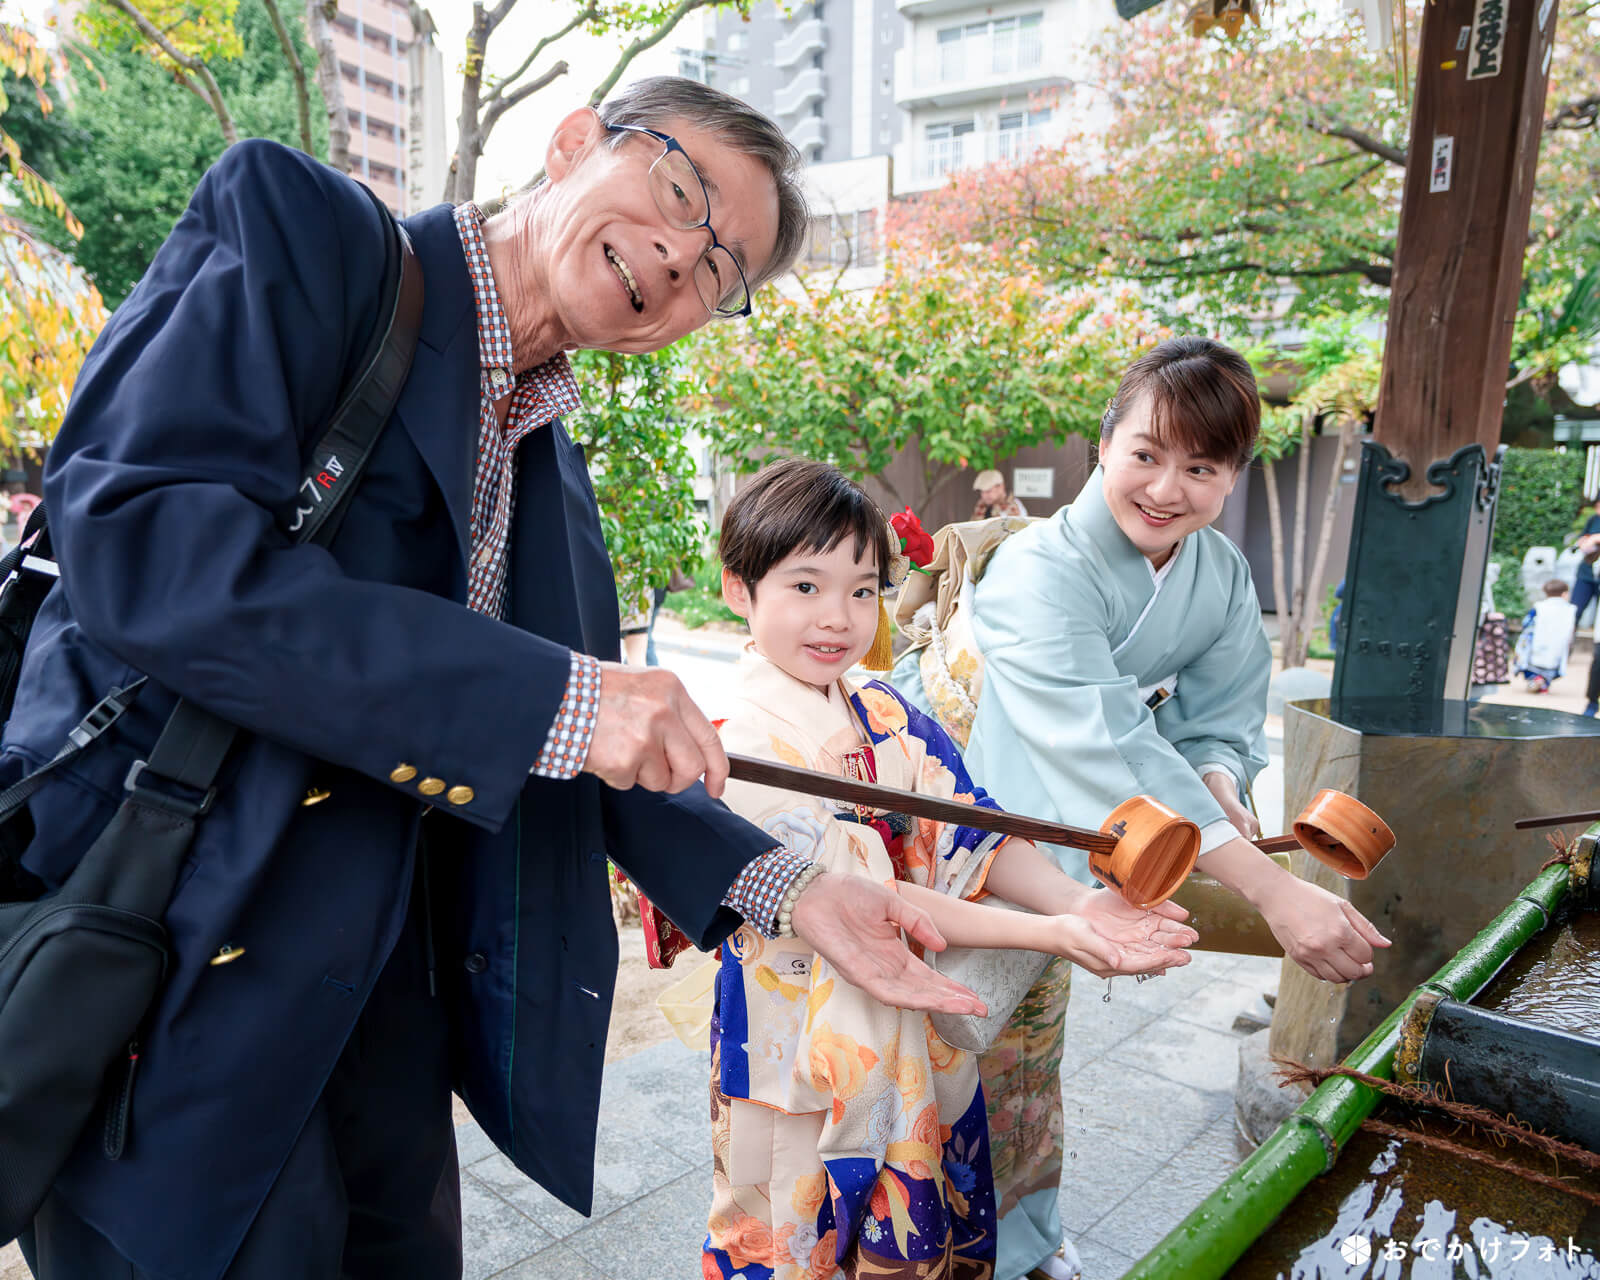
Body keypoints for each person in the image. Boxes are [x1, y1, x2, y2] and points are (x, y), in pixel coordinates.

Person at [6, 78, 988, 1280]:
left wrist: (789, 892)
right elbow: (142, 542)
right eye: (679, 192)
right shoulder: (304, 233)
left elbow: (583, 747)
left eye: (721, 273)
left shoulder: (552, 481)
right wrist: (558, 698)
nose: (682, 257)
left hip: (389, 1025)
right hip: (173, 985)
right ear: (573, 140)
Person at [892, 336, 1391, 1280]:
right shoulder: (1041, 568)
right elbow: (1108, 741)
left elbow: (1218, 718)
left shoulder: (1221, 576)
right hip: (959, 815)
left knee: (1030, 1044)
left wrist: (1221, 781)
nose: (1167, 488)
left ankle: (1020, 1237)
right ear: (1106, 444)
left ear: (1232, 476)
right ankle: (907, 1234)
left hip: (1079, 837)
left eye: (1201, 468)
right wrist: (1276, 894)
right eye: (1147, 454)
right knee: (925, 1034)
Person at [701, 459, 1197, 1279]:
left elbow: (979, 834)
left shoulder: (889, 713)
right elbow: (874, 901)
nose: (839, 618)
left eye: (863, 591)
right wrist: (1056, 932)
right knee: (787, 1237)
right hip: (790, 1043)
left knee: (921, 1215)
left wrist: (1078, 899)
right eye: (805, 587)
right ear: (737, 591)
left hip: (917, 1036)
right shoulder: (738, 745)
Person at [1514, 578, 1579, 693]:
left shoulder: (1539, 607)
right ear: (1564, 594)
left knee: (1531, 664)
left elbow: (1527, 623)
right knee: (1551, 667)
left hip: (1537, 644)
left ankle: (1537, 680)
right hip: (1558, 646)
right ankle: (1544, 683)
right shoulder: (1570, 610)